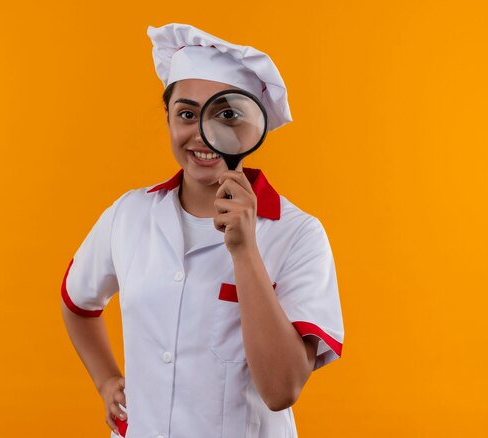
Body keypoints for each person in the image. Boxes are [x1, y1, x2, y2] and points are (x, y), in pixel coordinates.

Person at [60, 23, 344, 438]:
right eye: (187, 114)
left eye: (227, 114)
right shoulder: (129, 215)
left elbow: (282, 390)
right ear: (169, 118)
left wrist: (245, 251)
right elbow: (77, 301)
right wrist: (106, 381)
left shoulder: (299, 234)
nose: (201, 133)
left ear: (254, 127)